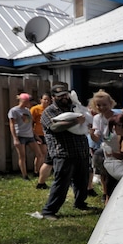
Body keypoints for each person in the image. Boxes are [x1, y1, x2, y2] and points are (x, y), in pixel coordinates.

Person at [38, 83, 94, 220]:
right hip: (63, 153)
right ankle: (49, 210)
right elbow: (55, 127)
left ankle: (80, 203)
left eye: (65, 95)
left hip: (81, 151)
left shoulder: (74, 107)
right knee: (62, 182)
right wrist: (76, 121)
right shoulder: (49, 112)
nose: (64, 97)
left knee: (82, 180)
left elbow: (86, 120)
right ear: (53, 97)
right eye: (60, 96)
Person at [88, 90, 118, 198]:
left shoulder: (118, 116)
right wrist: (91, 133)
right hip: (106, 146)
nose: (101, 107)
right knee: (101, 167)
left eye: (104, 104)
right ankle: (106, 193)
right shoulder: (97, 118)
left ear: (110, 103)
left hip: (119, 146)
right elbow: (97, 138)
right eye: (98, 105)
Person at [8, 93, 43, 181]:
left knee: (39, 154)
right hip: (20, 135)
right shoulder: (14, 110)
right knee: (22, 156)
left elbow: (30, 124)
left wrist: (36, 136)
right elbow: (12, 125)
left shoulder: (27, 111)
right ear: (24, 101)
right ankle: (25, 176)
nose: (30, 103)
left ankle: (36, 172)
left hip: (30, 136)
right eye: (29, 101)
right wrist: (15, 138)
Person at [30, 93, 53, 189]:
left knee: (44, 153)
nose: (46, 101)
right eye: (45, 99)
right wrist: (34, 135)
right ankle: (36, 171)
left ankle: (41, 172)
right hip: (38, 134)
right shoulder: (35, 109)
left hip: (46, 135)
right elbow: (30, 122)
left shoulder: (50, 110)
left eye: (48, 100)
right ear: (41, 100)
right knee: (39, 154)